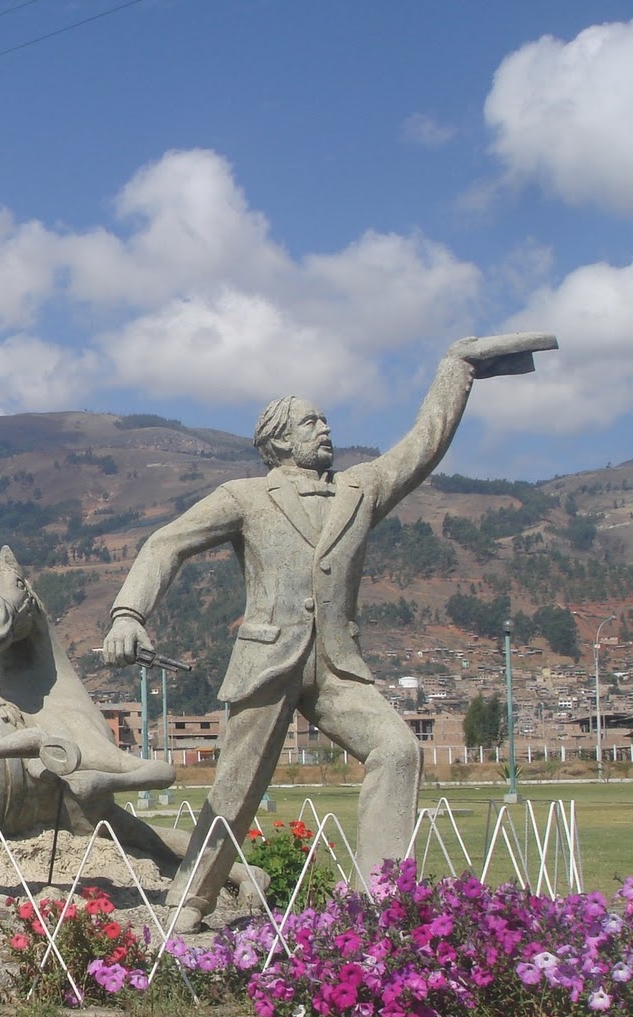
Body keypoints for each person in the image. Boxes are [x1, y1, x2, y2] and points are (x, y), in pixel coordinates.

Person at [102, 336, 533, 930]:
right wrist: (129, 614)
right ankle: (189, 899)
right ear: (279, 440)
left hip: (337, 665)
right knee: (236, 786)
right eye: (310, 422)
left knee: (398, 750)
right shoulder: (245, 497)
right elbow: (165, 543)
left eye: (325, 420)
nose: (325, 429)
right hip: (268, 661)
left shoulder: (360, 489)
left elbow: (423, 445)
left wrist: (455, 372)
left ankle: (381, 904)